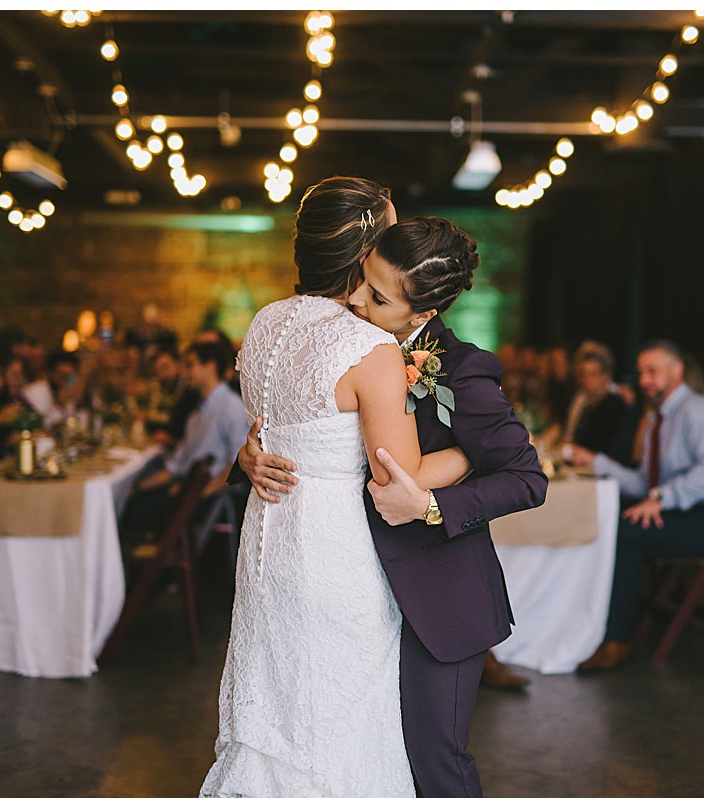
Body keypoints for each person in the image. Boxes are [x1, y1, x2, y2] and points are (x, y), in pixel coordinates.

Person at [232, 214, 548, 796]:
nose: (355, 299)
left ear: (422, 315)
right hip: (350, 597)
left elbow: (528, 478)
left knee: (434, 764)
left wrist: (431, 505)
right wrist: (250, 456)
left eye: (376, 296)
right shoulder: (350, 342)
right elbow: (317, 440)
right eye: (360, 279)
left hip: (437, 600)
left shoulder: (463, 370)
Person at [200, 178, 485, 798]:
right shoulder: (370, 347)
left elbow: (275, 431)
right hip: (334, 553)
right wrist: (472, 455)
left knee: (276, 700)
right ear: (366, 254)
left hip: (269, 541)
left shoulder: (265, 324)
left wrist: (253, 456)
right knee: (340, 713)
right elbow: (398, 477)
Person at [564, 339, 704, 671]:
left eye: (653, 371)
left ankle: (617, 638)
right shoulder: (659, 419)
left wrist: (662, 497)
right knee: (610, 520)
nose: (645, 380)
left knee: (624, 533)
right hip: (685, 510)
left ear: (677, 370)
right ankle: (587, 621)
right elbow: (642, 484)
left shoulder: (700, 411)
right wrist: (598, 462)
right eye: (641, 373)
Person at [121, 341, 248, 535]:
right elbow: (174, 468)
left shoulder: (231, 407)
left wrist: (196, 494)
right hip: (184, 492)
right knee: (129, 501)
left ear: (210, 366)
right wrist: (136, 486)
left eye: (190, 365)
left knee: (133, 513)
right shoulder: (195, 415)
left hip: (205, 498)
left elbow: (239, 463)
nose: (185, 372)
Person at [22, 350, 82, 428]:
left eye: (70, 376)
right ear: (50, 373)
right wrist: (59, 405)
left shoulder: (66, 391)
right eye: (61, 375)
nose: (65, 380)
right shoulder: (36, 392)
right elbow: (44, 425)